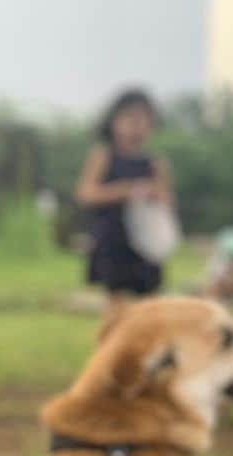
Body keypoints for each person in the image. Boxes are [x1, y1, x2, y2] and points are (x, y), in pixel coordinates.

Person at [75, 88, 174, 315]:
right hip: (113, 239)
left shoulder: (155, 163)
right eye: (130, 118)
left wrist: (154, 195)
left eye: (143, 120)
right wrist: (124, 191)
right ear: (114, 121)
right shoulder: (103, 156)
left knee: (149, 304)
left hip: (145, 240)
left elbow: (167, 203)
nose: (136, 126)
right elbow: (86, 193)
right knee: (115, 302)